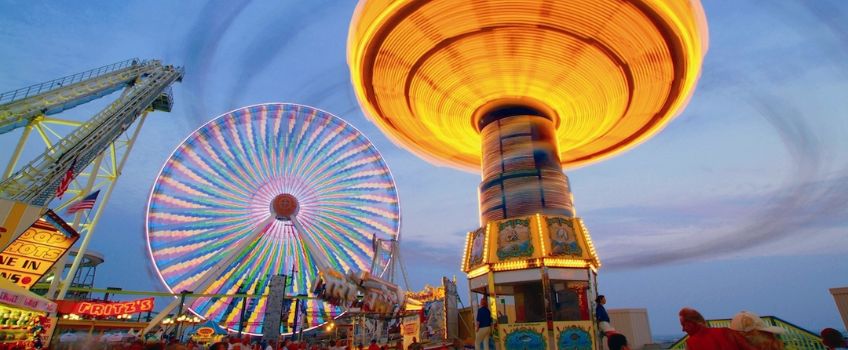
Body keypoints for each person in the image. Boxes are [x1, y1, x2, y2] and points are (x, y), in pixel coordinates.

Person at [679, 307, 754, 350]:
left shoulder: (691, 344)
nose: (683, 329)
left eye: (683, 325)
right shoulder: (726, 332)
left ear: (692, 323)